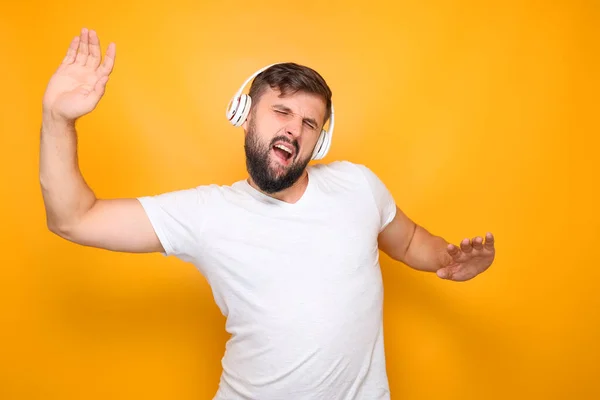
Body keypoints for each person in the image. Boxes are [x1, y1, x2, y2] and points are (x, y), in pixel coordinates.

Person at [40, 28, 496, 400]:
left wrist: (447, 259)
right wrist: (58, 119)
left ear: (321, 140)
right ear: (245, 112)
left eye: (309, 123)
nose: (293, 130)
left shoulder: (358, 185)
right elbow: (74, 218)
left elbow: (411, 240)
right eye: (281, 111)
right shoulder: (206, 213)